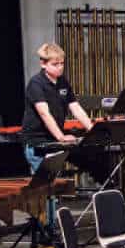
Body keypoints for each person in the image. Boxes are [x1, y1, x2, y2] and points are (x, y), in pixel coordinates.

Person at [21, 42, 93, 236]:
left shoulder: (62, 82)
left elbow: (75, 107)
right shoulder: (36, 84)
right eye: (55, 64)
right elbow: (44, 114)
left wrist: (92, 129)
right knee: (44, 189)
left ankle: (49, 228)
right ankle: (45, 229)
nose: (60, 67)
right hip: (37, 142)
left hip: (52, 142)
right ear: (43, 64)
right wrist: (61, 137)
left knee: (51, 188)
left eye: (62, 63)